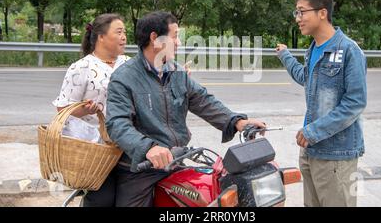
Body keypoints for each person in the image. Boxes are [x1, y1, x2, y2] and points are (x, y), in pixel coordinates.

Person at [105, 11, 266, 207]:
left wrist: (238, 122)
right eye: (174, 36)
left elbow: (203, 100)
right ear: (155, 38)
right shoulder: (124, 77)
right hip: (140, 169)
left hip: (176, 161)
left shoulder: (176, 71)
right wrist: (148, 148)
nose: (179, 42)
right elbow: (117, 124)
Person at [275, 0, 367, 207]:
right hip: (310, 151)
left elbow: (355, 103)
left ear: (322, 13)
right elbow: (304, 76)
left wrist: (313, 131)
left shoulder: (348, 50)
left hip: (336, 154)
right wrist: (285, 55)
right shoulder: (313, 49)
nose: (298, 18)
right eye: (296, 12)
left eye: (302, 11)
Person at [52, 13, 130, 205]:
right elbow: (63, 109)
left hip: (129, 144)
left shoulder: (130, 63)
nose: (124, 37)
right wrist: (86, 110)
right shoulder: (81, 68)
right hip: (97, 151)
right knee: (102, 199)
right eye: (119, 32)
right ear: (101, 37)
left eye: (125, 32)